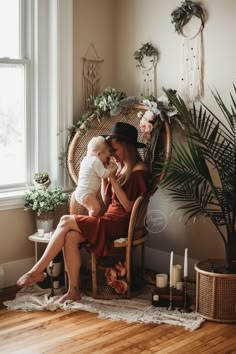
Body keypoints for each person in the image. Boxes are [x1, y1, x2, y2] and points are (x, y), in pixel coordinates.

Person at [17, 122, 149, 303]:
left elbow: (127, 206)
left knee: (65, 220)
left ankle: (38, 270)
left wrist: (112, 178)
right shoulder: (120, 167)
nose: (112, 155)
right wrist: (107, 178)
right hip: (108, 218)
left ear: (127, 147)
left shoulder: (138, 170)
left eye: (115, 150)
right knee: (70, 237)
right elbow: (107, 199)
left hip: (120, 224)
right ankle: (73, 291)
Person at [75, 136, 113, 217]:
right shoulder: (96, 160)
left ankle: (89, 221)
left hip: (81, 191)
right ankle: (90, 222)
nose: (106, 160)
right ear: (99, 154)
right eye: (106, 157)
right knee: (96, 208)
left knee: (92, 209)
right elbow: (103, 174)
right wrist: (110, 170)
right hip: (86, 193)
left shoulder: (85, 159)